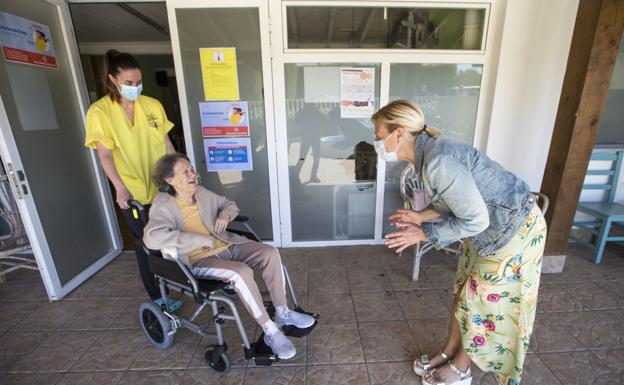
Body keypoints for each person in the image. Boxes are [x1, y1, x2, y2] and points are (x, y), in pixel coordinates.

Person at [373, 100, 547, 385]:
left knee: (476, 301)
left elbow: (476, 219)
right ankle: (449, 351)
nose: (378, 142)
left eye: (380, 136)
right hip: (486, 231)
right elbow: (455, 203)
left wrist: (424, 233)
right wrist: (419, 217)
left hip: (514, 230)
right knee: (461, 292)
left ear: (399, 132)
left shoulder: (438, 161)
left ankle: (462, 368)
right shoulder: (427, 155)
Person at [142, 153, 315, 359]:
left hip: (228, 245)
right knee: (241, 272)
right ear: (170, 180)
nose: (192, 174)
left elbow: (229, 204)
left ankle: (282, 311)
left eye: (192, 169)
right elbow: (151, 239)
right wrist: (197, 240)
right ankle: (270, 331)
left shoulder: (201, 193)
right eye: (185, 171)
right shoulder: (164, 204)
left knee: (269, 252)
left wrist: (225, 214)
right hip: (199, 259)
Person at [84, 49, 181, 310]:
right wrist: (120, 189)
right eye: (129, 83)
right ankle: (159, 296)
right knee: (147, 246)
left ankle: (179, 282)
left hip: (162, 188)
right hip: (134, 193)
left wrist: (179, 175)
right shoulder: (100, 112)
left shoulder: (152, 106)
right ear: (113, 79)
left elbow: (166, 143)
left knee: (171, 238)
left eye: (138, 82)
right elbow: (104, 155)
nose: (135, 87)